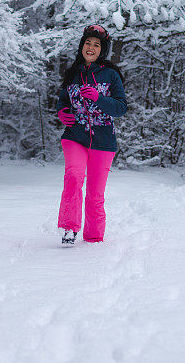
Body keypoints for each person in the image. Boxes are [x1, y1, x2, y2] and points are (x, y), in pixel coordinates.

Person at [55, 24, 127, 245]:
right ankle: (68, 229)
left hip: (103, 140)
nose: (91, 48)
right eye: (88, 43)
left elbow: (121, 107)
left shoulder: (111, 75)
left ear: (101, 50)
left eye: (96, 45)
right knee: (74, 177)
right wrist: (62, 112)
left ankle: (94, 239)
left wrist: (99, 98)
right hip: (75, 136)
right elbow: (63, 101)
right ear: (82, 46)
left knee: (95, 195)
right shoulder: (72, 74)